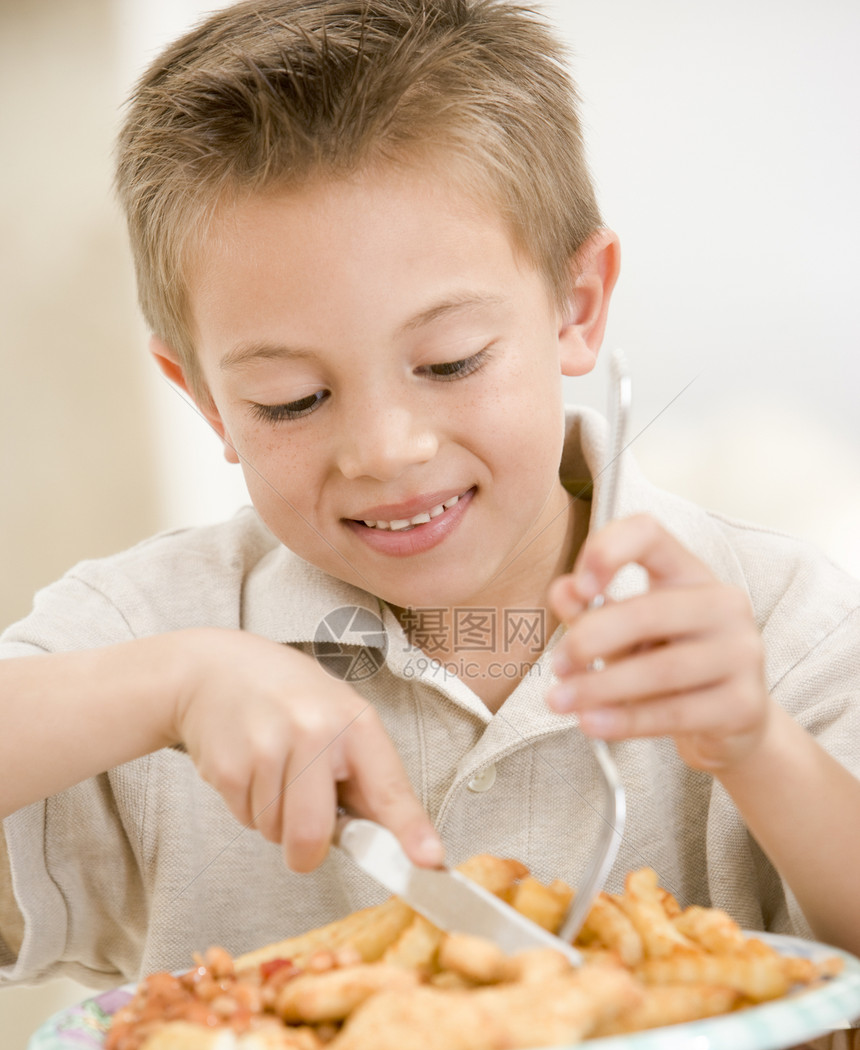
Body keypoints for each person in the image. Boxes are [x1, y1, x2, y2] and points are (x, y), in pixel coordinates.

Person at [1, 0, 858, 991]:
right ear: (204, 400)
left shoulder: (774, 621)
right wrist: (166, 691)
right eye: (294, 400)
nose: (385, 449)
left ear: (574, 308)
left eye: (449, 363)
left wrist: (755, 748)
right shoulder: (149, 633)